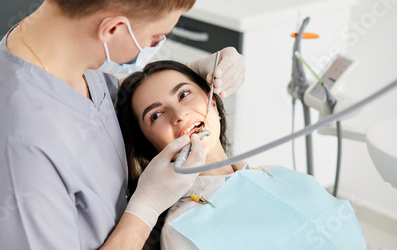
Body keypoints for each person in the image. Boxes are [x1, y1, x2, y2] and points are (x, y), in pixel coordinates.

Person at [0, 0, 245, 249]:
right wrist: (144, 209)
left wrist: (191, 69)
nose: (155, 46)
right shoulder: (20, 152)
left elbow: (94, 100)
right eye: (155, 37)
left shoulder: (56, 42)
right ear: (113, 29)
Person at [117, 60, 367, 249]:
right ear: (151, 146)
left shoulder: (275, 173)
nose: (179, 114)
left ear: (212, 102)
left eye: (184, 94)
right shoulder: (182, 227)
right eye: (156, 115)